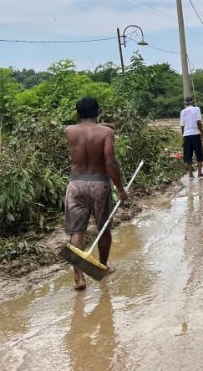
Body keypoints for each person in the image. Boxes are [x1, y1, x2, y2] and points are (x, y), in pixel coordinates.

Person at [64, 97, 128, 291]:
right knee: (103, 228)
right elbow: (110, 162)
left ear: (77, 113)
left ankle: (79, 277)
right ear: (98, 112)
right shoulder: (106, 132)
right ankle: (103, 266)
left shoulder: (69, 130)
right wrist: (120, 188)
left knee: (77, 231)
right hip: (99, 183)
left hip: (76, 185)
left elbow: (84, 128)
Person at [180, 96, 203, 180]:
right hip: (195, 133)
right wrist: (202, 134)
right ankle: (199, 173)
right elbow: (198, 122)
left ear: (186, 103)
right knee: (199, 154)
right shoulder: (197, 109)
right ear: (193, 102)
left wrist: (183, 136)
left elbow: (182, 126)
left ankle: (190, 174)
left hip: (186, 135)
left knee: (188, 154)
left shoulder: (182, 112)